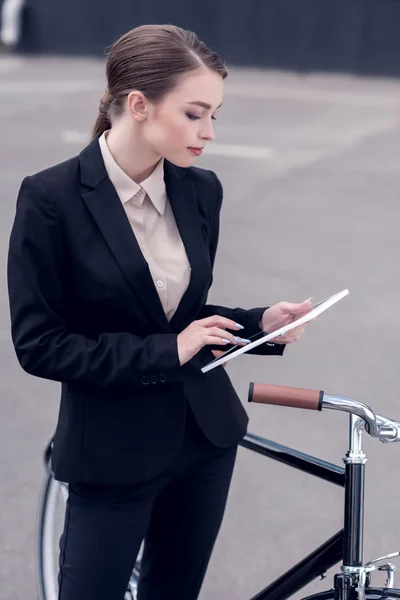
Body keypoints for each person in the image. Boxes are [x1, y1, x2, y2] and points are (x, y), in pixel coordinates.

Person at [7, 24, 311, 600]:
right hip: (111, 453)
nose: (210, 133)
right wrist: (164, 352)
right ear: (139, 104)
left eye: (216, 115)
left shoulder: (202, 192)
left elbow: (179, 316)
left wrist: (260, 324)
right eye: (195, 114)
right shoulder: (51, 200)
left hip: (205, 440)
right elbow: (40, 343)